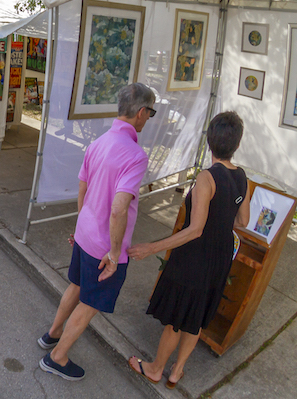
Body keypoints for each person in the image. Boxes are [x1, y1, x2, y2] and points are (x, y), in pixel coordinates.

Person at [39, 82, 156, 381]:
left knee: (76, 286)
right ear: (141, 113)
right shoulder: (135, 155)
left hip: (86, 234)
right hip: (105, 246)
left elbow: (83, 186)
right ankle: (57, 357)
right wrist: (115, 254)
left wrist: (82, 224)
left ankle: (52, 335)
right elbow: (119, 208)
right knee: (90, 304)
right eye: (150, 113)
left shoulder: (99, 142)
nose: (148, 118)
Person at [127, 112, 250, 388]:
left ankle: (157, 368)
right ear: (237, 145)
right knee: (196, 317)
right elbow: (242, 221)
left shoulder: (207, 177)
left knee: (176, 319)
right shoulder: (242, 177)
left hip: (195, 256)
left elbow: (195, 230)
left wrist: (151, 247)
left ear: (209, 142)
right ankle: (176, 371)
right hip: (220, 257)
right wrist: (221, 220)